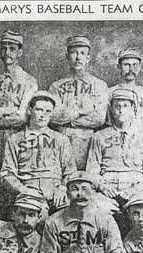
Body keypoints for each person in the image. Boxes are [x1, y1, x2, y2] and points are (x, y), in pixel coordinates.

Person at [0, 91, 77, 214]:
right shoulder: (15, 139)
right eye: (39, 110)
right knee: (34, 218)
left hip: (56, 191)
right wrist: (23, 189)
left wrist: (62, 188)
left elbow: (70, 171)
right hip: (28, 191)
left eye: (48, 112)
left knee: (69, 216)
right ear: (30, 110)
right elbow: (6, 174)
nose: (43, 115)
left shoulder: (61, 139)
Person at [86, 88, 143, 214]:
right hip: (107, 189)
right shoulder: (99, 136)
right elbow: (92, 170)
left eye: (125, 106)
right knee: (94, 209)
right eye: (117, 106)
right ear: (111, 110)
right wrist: (102, 186)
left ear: (133, 110)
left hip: (135, 189)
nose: (120, 110)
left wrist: (137, 188)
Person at [0, 31, 38, 175]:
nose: (7, 52)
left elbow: (22, 116)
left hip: (19, 137)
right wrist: (4, 111)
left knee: (17, 176)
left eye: (12, 49)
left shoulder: (29, 81)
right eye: (4, 48)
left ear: (20, 52)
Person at [49, 36, 109, 170]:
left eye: (82, 53)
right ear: (67, 56)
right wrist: (80, 112)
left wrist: (68, 119)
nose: (78, 57)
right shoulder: (56, 86)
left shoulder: (99, 85)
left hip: (87, 140)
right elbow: (52, 117)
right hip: (61, 139)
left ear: (88, 58)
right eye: (74, 52)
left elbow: (98, 118)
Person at [109, 48, 143, 146]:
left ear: (139, 68)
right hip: (118, 141)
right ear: (119, 67)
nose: (131, 69)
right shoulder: (110, 92)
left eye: (135, 65)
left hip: (142, 142)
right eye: (126, 65)